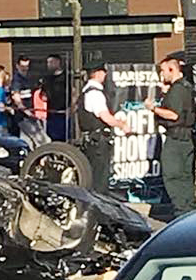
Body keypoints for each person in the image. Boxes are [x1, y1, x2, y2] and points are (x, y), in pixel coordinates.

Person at [147, 53, 196, 218]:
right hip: (187, 137)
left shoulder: (177, 89)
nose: (162, 75)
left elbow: (173, 114)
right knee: (186, 176)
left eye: (163, 71)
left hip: (176, 139)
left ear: (172, 69)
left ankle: (181, 211)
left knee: (173, 175)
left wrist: (153, 108)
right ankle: (188, 208)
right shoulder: (187, 87)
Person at [78, 63, 130, 192]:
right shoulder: (95, 93)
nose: (105, 75)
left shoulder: (85, 91)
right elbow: (105, 117)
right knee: (99, 178)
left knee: (94, 175)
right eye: (104, 72)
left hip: (91, 140)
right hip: (98, 141)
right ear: (98, 73)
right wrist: (122, 125)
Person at [42, 55, 69, 141]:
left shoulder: (67, 77)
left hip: (64, 113)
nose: (48, 65)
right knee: (52, 138)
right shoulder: (47, 79)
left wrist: (71, 109)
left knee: (64, 137)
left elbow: (74, 93)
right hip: (51, 113)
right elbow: (43, 95)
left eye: (51, 62)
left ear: (58, 62)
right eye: (47, 63)